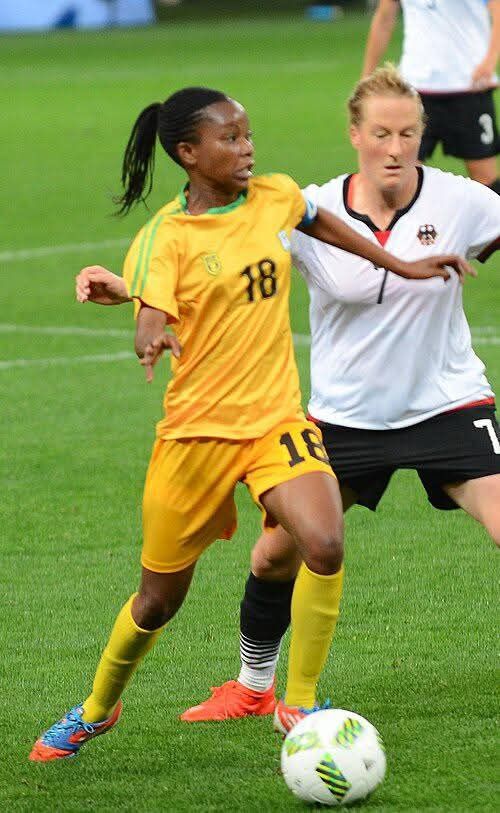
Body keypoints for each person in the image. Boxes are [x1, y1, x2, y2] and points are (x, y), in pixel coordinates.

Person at [29, 86, 464, 762]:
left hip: (274, 421)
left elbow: (322, 223)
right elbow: (150, 311)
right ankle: (95, 709)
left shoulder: (276, 196)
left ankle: (300, 703)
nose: (247, 147)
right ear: (188, 153)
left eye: (248, 134)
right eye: (229, 139)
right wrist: (149, 335)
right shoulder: (166, 237)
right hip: (195, 437)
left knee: (324, 541)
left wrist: (401, 264)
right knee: (155, 602)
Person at [171, 66, 498, 735]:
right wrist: (131, 290)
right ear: (355, 134)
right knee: (273, 556)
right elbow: (208, 258)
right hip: (344, 418)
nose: (394, 148)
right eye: (380, 133)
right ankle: (253, 686)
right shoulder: (307, 208)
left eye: (407, 134)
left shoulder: (463, 201)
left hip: (448, 403)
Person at [362, 0, 500, 191]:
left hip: (469, 86)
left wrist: (490, 60)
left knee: (485, 178)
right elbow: (384, 18)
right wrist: (367, 77)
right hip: (414, 90)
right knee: (404, 174)